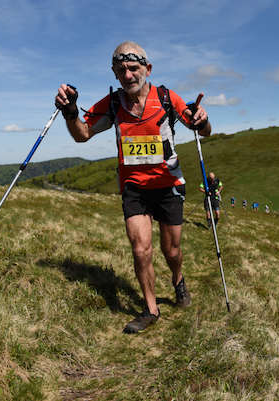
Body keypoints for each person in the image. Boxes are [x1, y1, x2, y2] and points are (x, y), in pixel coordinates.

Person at [55, 41, 211, 334]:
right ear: (114, 73)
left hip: (168, 185)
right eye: (121, 69)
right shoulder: (113, 103)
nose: (128, 75)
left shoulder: (165, 97)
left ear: (147, 69)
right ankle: (150, 309)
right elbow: (82, 134)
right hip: (133, 187)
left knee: (171, 250)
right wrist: (71, 111)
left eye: (134, 68)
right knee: (141, 250)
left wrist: (203, 120)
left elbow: (200, 128)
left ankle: (178, 280)